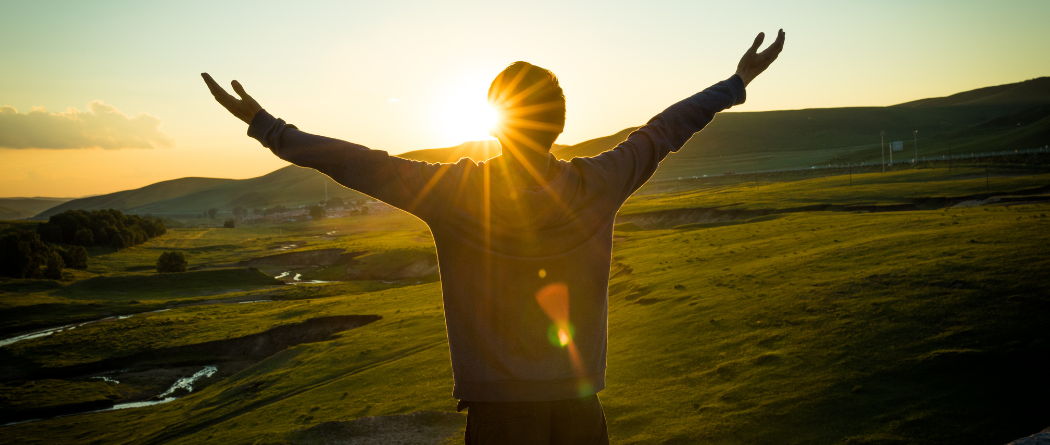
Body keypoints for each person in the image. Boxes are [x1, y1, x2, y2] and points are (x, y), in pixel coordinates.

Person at [202, 29, 784, 445]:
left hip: (499, 414)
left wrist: (267, 127)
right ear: (559, 123)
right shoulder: (600, 182)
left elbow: (360, 164)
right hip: (581, 409)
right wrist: (735, 82)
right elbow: (664, 131)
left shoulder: (458, 195)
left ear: (493, 125)